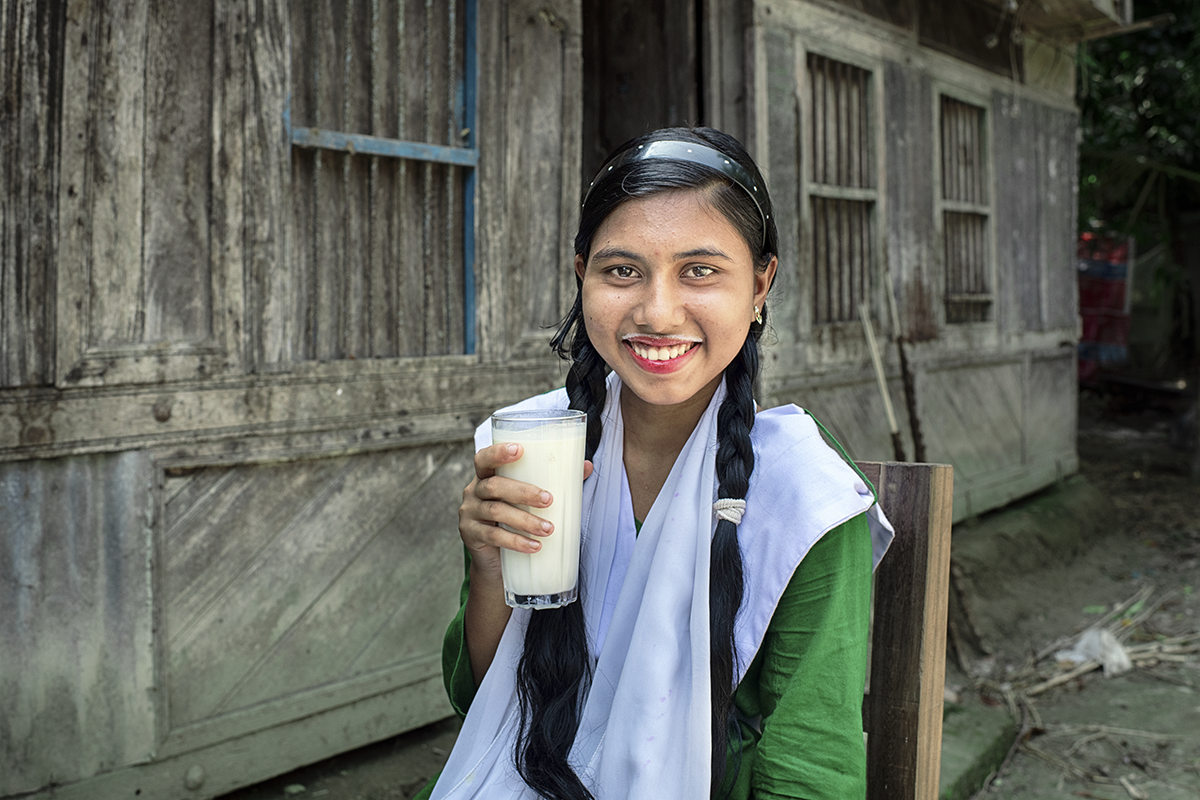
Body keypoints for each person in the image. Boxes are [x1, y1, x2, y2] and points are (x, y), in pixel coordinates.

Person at [414, 127, 893, 800]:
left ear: (761, 285)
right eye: (621, 271)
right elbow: (480, 700)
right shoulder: (536, 446)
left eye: (700, 270)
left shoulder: (804, 492)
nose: (657, 312)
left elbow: (810, 759)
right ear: (583, 277)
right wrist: (492, 568)